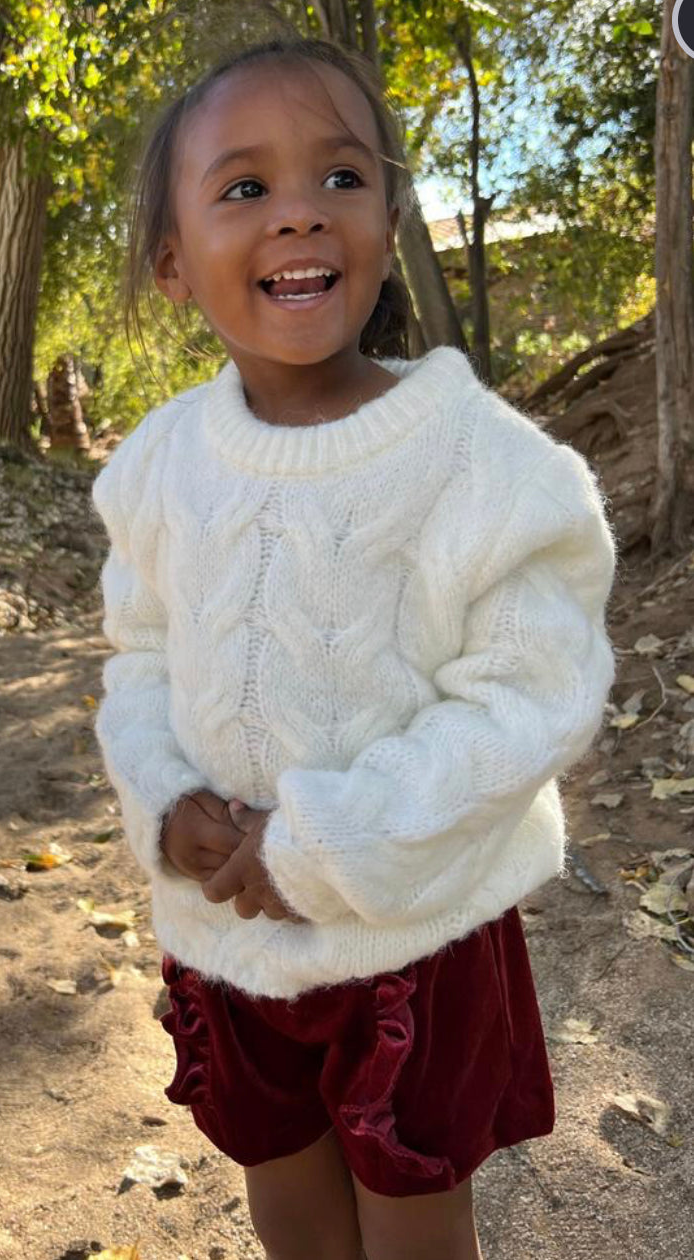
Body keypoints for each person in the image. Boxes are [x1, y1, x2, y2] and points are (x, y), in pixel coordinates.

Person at [90, 35, 617, 1260]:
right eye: (243, 189)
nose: (297, 219)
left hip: (410, 930)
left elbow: (531, 690)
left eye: (338, 179)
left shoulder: (484, 464)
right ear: (173, 261)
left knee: (411, 1196)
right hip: (233, 927)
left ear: (386, 217)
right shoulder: (161, 467)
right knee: (279, 1165)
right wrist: (165, 801)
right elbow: (140, 661)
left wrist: (333, 838)